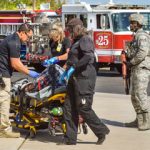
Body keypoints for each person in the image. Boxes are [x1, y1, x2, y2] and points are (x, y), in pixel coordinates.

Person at [58, 18, 110, 145]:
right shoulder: (75, 41)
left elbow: (88, 56)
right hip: (74, 78)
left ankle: (101, 131)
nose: (69, 32)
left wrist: (75, 67)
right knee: (69, 108)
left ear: (76, 28)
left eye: (70, 29)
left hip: (84, 79)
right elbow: (73, 58)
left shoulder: (85, 39)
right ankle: (70, 138)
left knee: (84, 108)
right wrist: (66, 68)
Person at [0, 23, 39, 138]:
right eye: (28, 36)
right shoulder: (14, 42)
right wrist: (30, 73)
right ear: (22, 32)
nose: (28, 39)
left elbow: (17, 61)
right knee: (4, 101)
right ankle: (4, 130)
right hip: (2, 75)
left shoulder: (13, 39)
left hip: (3, 73)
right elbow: (15, 64)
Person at [124, 14, 150, 130]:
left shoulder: (142, 36)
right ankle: (139, 120)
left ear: (138, 24)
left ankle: (147, 121)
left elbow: (142, 53)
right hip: (136, 68)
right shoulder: (136, 36)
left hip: (142, 69)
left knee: (141, 95)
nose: (130, 25)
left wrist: (132, 62)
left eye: (132, 23)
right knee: (134, 96)